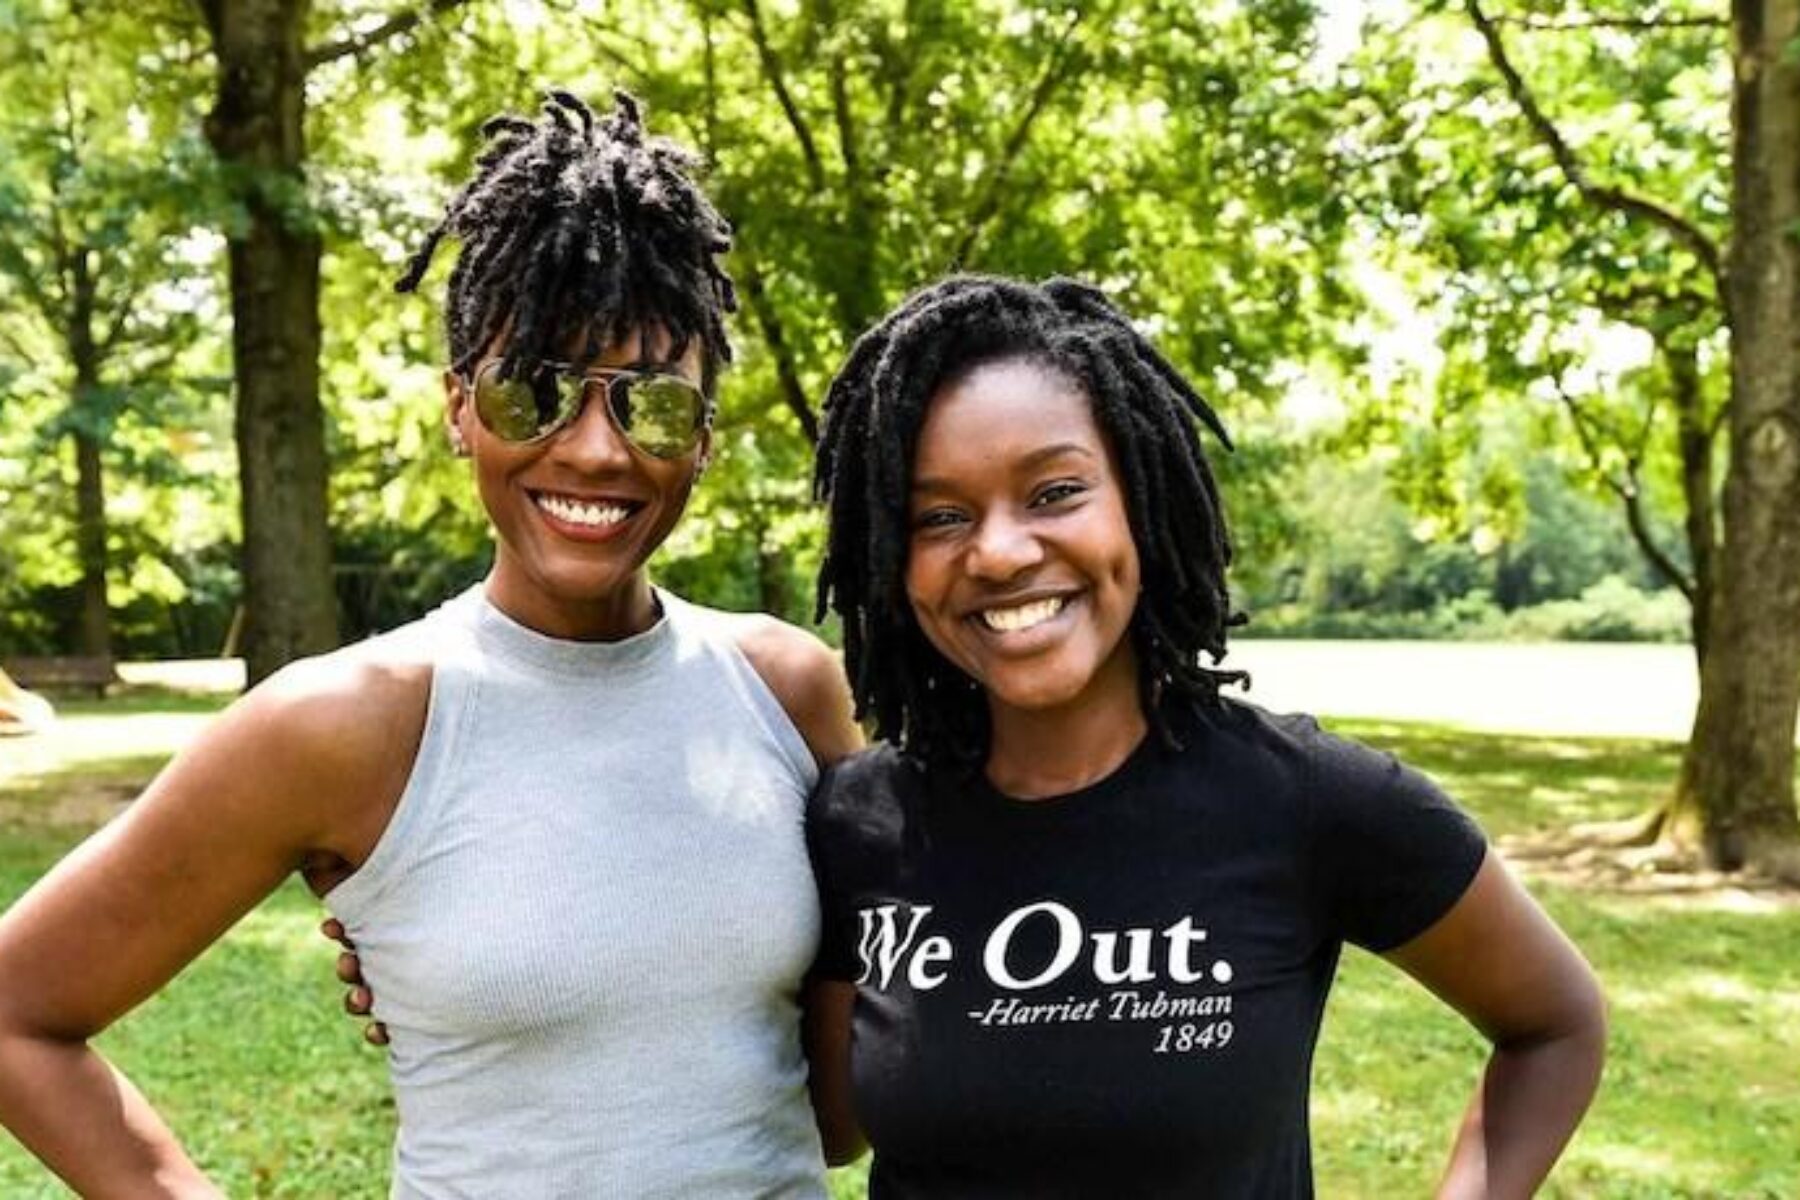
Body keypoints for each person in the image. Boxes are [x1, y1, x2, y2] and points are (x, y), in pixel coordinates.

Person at [0, 89, 860, 1198]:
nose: (596, 450)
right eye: (531, 392)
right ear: (459, 406)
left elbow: (837, 1122)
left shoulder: (787, 691)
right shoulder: (346, 723)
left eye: (650, 405)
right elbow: (19, 1014)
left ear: (705, 438)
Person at [800, 275, 1607, 1197]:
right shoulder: (856, 825)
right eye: (939, 516)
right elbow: (835, 1128)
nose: (1000, 551)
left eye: (1055, 491)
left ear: (1142, 504)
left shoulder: (1309, 801)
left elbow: (1555, 1022)